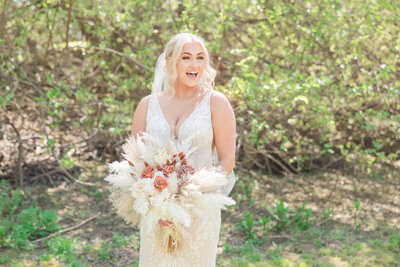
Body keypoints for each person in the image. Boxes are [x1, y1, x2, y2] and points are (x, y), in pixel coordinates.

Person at [130, 32, 236, 266]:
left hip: (200, 209)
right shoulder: (147, 105)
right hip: (156, 213)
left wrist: (190, 196)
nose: (195, 64)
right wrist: (156, 201)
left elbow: (227, 160)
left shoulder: (216, 103)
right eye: (186, 57)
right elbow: (134, 160)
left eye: (200, 58)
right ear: (169, 61)